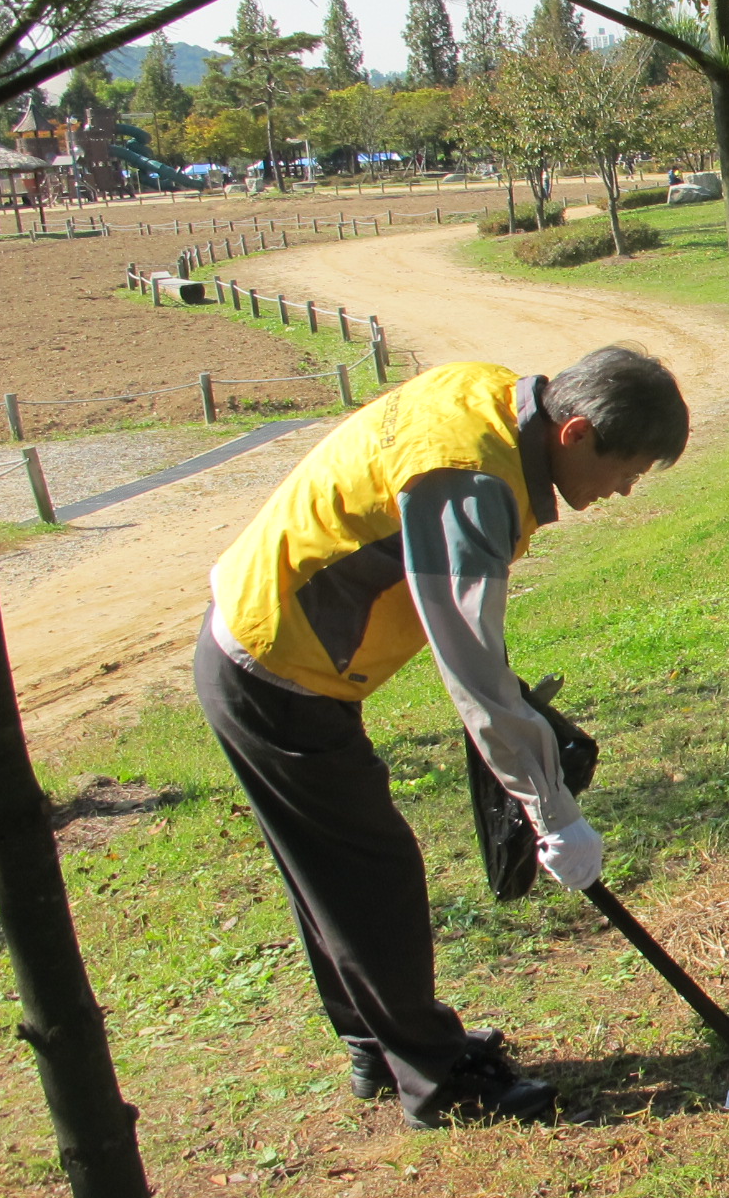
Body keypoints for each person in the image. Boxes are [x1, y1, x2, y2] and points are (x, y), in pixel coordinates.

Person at [196, 348, 689, 1128]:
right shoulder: (472, 479)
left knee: (332, 871)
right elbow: (474, 673)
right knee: (372, 873)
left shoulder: (494, 402)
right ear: (577, 434)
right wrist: (552, 810)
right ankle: (437, 1080)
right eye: (626, 470)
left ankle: (378, 1044)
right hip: (275, 666)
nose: (624, 490)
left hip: (275, 650)